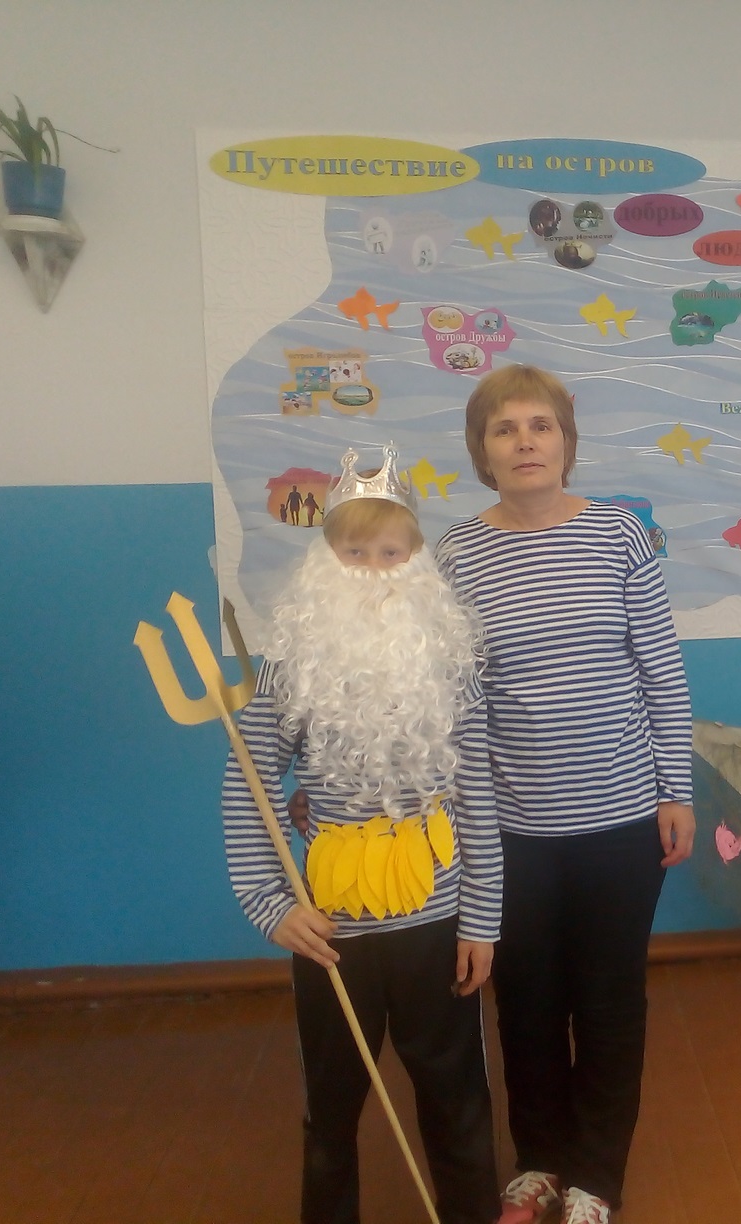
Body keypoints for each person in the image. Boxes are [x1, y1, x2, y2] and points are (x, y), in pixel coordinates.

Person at [435, 365, 696, 1224]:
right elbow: (455, 703)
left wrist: (676, 788)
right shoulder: (455, 555)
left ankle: (597, 1177)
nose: (524, 442)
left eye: (539, 425)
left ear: (566, 442)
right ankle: (539, 1161)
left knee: (610, 1004)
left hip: (622, 820)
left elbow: (661, 672)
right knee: (528, 1004)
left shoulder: (620, 535)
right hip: (513, 830)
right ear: (481, 450)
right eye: (504, 428)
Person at [222, 444, 502, 1224]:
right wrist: (271, 903)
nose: (373, 569)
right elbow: (250, 781)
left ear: (416, 561)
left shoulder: (451, 665)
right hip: (331, 928)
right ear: (327, 560)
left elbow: (477, 795)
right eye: (354, 553)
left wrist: (483, 919)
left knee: (456, 1094)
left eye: (390, 553)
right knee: (332, 1104)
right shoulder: (291, 666)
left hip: (437, 920)